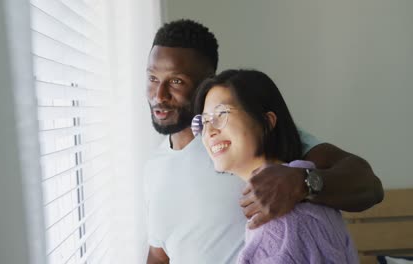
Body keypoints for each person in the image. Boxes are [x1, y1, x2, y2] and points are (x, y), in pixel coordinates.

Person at [144, 19, 382, 264]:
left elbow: (370, 186)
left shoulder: (248, 139)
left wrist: (302, 182)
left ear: (206, 79)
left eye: (176, 81)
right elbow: (159, 254)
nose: (159, 95)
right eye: (152, 78)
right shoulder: (155, 166)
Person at [193, 69, 358, 263]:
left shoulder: (281, 224)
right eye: (203, 121)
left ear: (266, 121)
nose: (209, 130)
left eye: (221, 114)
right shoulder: (308, 201)